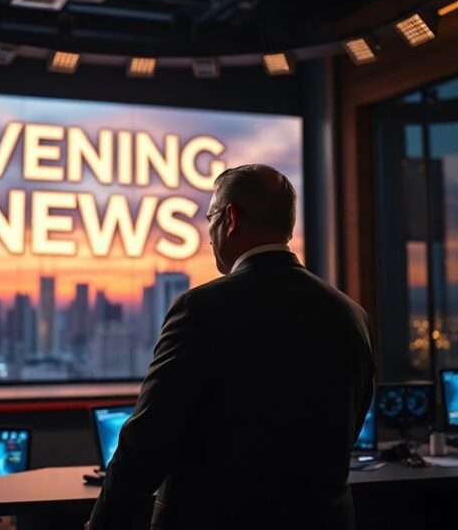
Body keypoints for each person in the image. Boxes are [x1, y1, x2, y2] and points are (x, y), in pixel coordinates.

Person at [86, 164, 375, 530]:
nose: (208, 236)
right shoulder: (351, 314)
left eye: (209, 218)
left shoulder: (200, 308)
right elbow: (348, 424)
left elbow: (148, 442)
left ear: (231, 217)